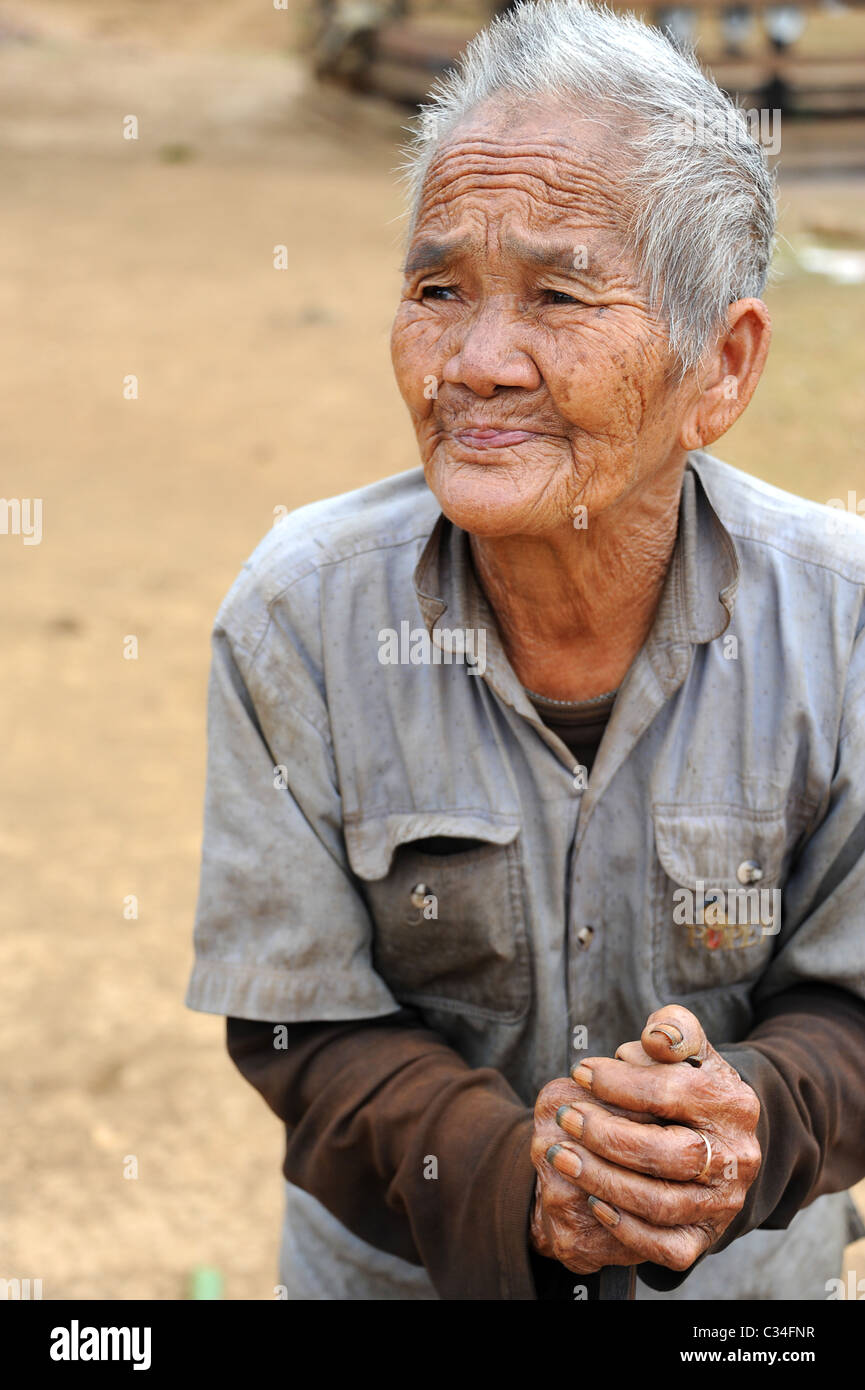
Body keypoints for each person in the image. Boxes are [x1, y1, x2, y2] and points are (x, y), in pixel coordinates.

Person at [186, 0, 865, 1300]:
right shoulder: (301, 613)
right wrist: (514, 1181)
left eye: (557, 294)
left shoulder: (839, 621)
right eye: (437, 290)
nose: (474, 363)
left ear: (718, 368)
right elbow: (291, 1019)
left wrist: (755, 1125)